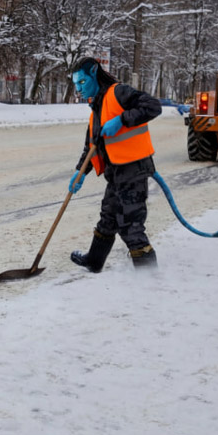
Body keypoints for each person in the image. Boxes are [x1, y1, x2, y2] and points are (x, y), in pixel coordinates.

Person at [67, 57, 162, 273]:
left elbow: (153, 106)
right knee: (108, 215)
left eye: (82, 83)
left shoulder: (118, 93)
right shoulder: (97, 108)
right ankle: (94, 260)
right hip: (116, 171)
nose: (78, 89)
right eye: (75, 85)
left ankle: (149, 277)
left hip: (133, 169)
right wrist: (80, 172)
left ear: (94, 73)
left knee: (130, 224)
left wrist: (122, 120)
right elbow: (91, 145)